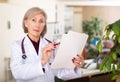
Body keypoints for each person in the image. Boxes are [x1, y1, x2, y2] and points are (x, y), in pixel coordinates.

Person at [10, 7, 84, 82]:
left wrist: (75, 66)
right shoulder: (17, 46)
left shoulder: (51, 46)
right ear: (26, 23)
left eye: (41, 21)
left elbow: (60, 72)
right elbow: (17, 73)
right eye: (33, 20)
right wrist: (43, 61)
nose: (37, 25)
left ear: (44, 25)